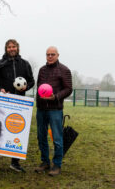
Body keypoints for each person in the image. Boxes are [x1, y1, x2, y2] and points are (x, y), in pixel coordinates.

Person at [0, 39, 35, 173]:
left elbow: (32, 81)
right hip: (2, 102)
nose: (11, 49)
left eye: (14, 46)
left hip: (20, 104)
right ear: (6, 49)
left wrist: (26, 87)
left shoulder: (25, 64)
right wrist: (0, 89)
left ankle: (15, 162)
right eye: (9, 47)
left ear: (18, 48)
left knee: (17, 130)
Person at [34, 46, 72, 176]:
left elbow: (68, 89)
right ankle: (45, 162)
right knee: (41, 137)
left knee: (57, 138)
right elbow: (39, 87)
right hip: (41, 109)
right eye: (48, 54)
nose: (50, 56)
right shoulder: (42, 70)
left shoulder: (64, 70)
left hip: (55, 110)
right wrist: (38, 102)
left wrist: (55, 97)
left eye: (52, 54)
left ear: (58, 55)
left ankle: (57, 165)